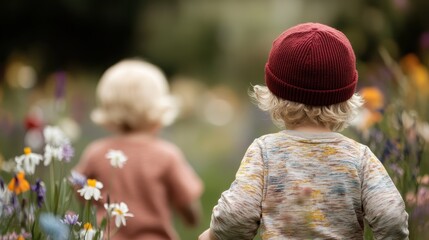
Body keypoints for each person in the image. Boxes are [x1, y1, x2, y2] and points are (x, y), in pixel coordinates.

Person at [199, 22, 409, 240]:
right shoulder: (360, 158)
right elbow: (391, 218)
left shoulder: (265, 153)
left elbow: (236, 215)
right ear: (347, 98)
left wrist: (211, 236)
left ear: (273, 94)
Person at [73, 59, 204, 240]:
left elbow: (77, 189)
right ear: (159, 108)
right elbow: (188, 204)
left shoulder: (96, 152)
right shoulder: (167, 155)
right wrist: (191, 219)